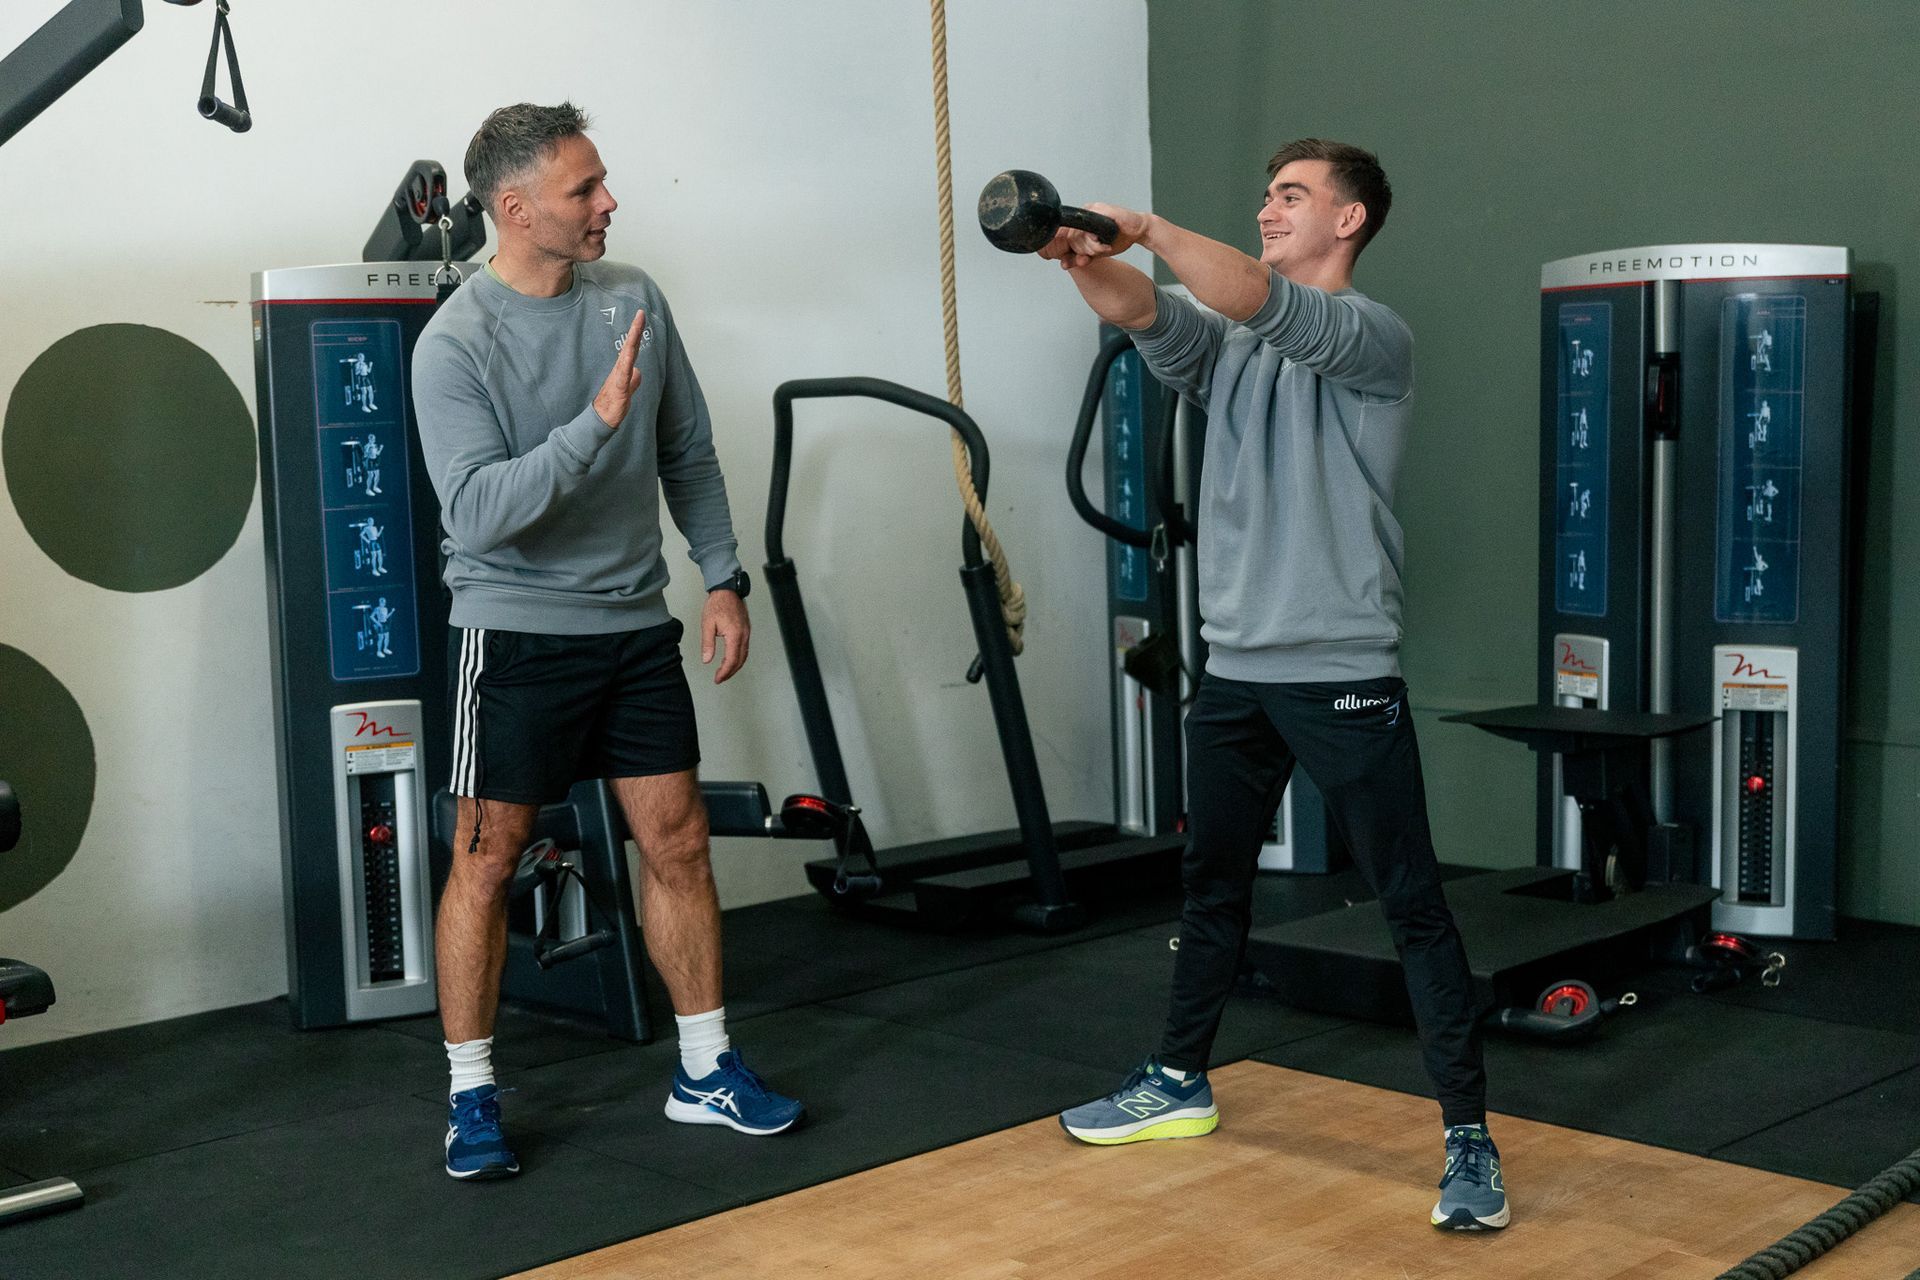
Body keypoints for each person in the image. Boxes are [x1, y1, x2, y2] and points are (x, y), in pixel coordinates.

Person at [1041, 139, 1508, 1231]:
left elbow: (1255, 298)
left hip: (1341, 670)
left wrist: (1148, 227)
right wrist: (1075, 256)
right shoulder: (1230, 351)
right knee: (1211, 887)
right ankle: (1176, 1077)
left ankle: (1470, 1138)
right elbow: (1145, 315)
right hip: (1236, 669)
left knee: (1412, 903)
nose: (1269, 210)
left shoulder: (1370, 337)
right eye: (1265, 195)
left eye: (1292, 196)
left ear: (1349, 221)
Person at [412, 101, 803, 1182]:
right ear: (514, 206)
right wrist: (592, 421)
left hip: (634, 623)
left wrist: (721, 575)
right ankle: (473, 1095)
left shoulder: (633, 296)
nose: (608, 203)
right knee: (486, 861)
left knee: (676, 839)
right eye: (584, 190)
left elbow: (689, 448)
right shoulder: (455, 343)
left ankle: (705, 1067)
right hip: (517, 635)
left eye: (602, 182)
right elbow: (482, 513)